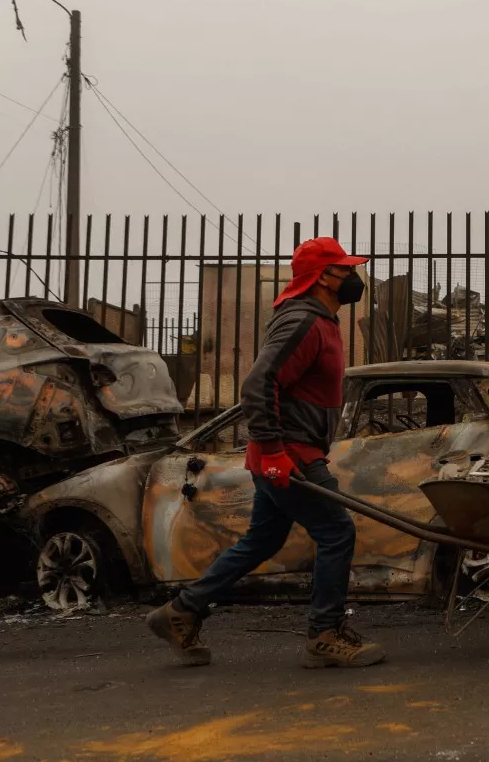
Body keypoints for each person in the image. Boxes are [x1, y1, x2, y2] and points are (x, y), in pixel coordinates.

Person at [146, 237, 386, 669]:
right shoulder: (302, 321)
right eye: (345, 270)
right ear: (322, 277)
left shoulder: (322, 320)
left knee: (264, 538)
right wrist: (276, 452)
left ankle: (181, 611)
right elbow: (258, 384)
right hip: (288, 454)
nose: (353, 277)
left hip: (293, 449)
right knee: (337, 533)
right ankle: (324, 635)